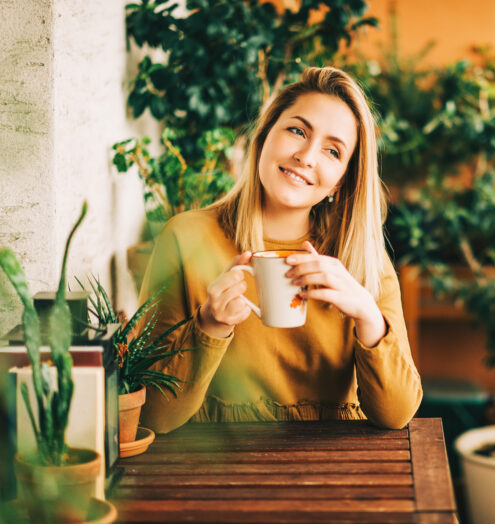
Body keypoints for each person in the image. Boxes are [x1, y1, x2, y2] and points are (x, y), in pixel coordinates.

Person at [138, 67, 422, 433]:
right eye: (297, 131)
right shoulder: (186, 238)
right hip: (213, 469)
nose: (306, 156)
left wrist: (367, 314)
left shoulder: (362, 258)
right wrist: (209, 325)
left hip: (341, 473)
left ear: (343, 178)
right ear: (264, 136)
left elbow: (397, 415)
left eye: (332, 151)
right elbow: (154, 418)